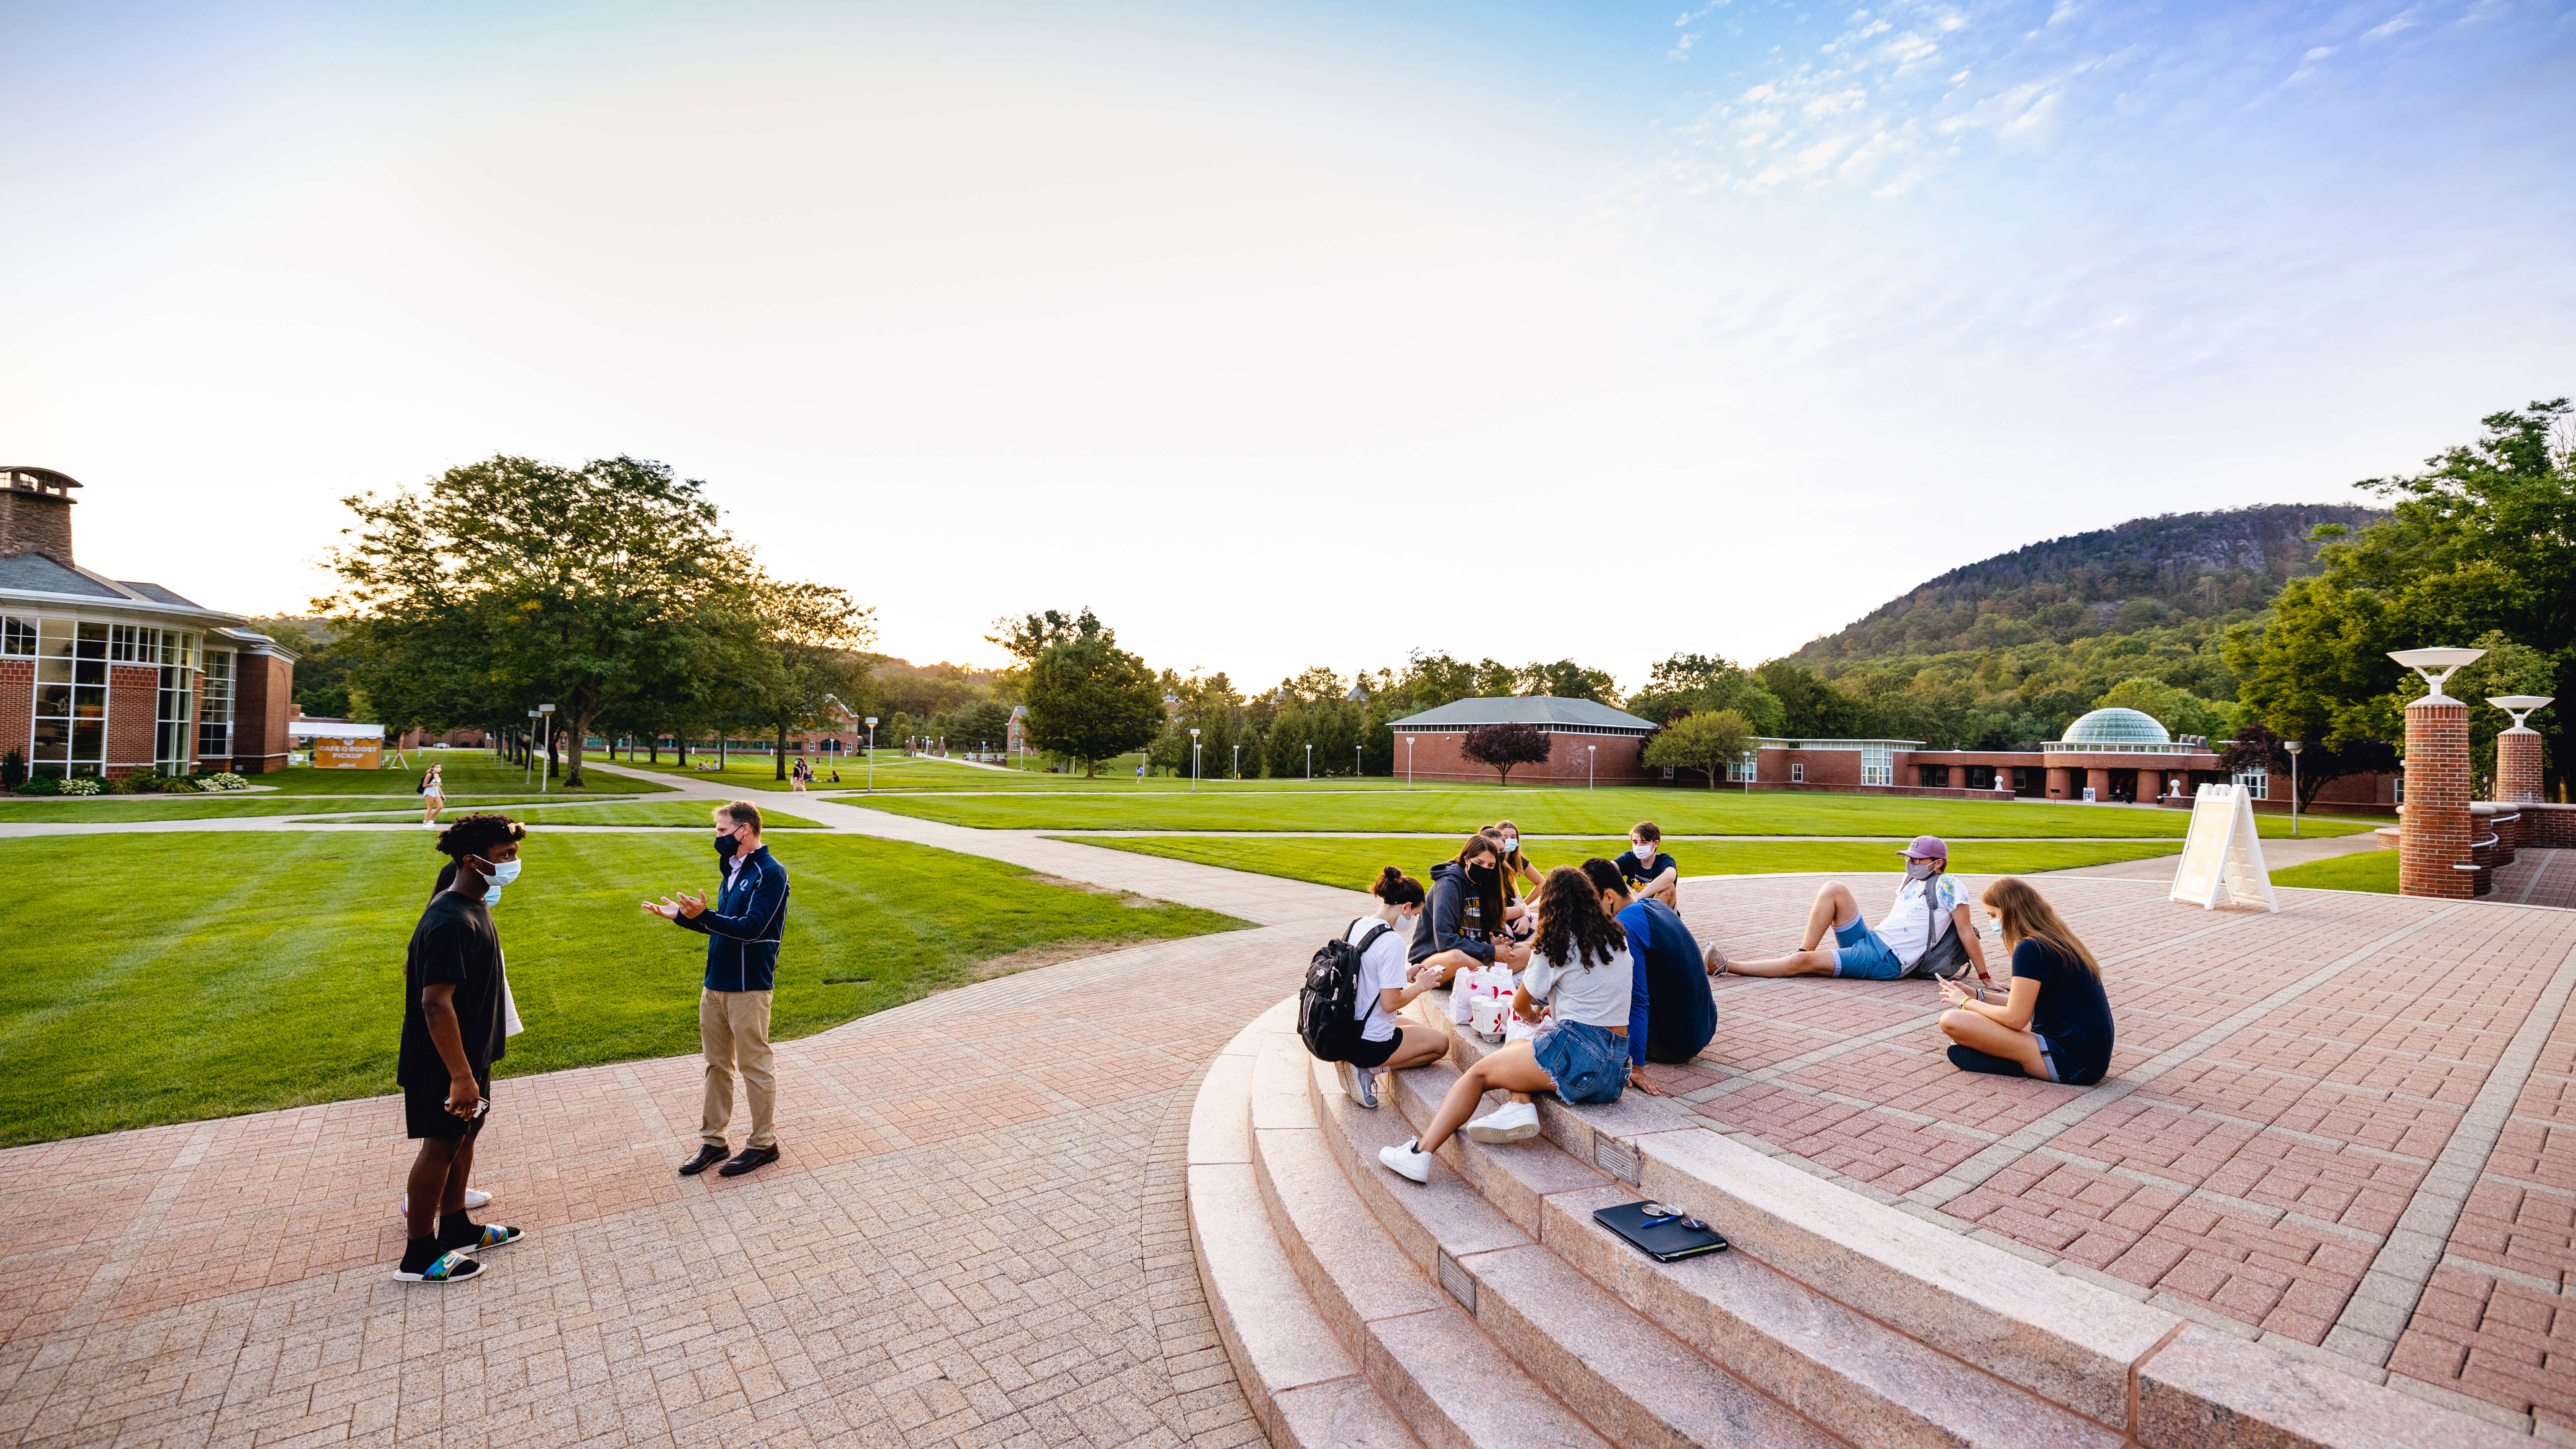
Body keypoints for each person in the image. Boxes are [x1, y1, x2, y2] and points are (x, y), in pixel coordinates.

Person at [1380, 866, 1634, 1181]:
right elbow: (1598, 1001)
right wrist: (1553, 1012)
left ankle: (1420, 1153)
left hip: (1579, 1058)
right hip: (1615, 1070)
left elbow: (1520, 1005)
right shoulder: (1618, 942)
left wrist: (1534, 1016)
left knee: (1478, 1074)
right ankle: (1520, 1105)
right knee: (1522, 1044)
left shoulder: (1557, 944)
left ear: (1551, 904)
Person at [394, 813, 529, 1283]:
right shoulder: (451, 919)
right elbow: (435, 1003)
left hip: (470, 1056)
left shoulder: (474, 906)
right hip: (443, 1063)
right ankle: (418, 1255)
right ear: (472, 861)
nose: (513, 863)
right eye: (505, 855)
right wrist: (460, 1076)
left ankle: (456, 1227)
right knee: (440, 1145)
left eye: (514, 853)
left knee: (465, 1136)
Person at [643, 800, 791, 1178]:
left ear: (745, 829)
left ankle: (764, 1144)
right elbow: (722, 925)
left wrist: (704, 915)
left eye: (723, 831)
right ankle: (714, 1141)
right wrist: (683, 918)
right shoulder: (732, 869)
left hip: (749, 986)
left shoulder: (771, 873)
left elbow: (752, 928)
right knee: (717, 1065)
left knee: (755, 1066)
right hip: (716, 984)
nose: (718, 837)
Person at [1717, 835, 1989, 985]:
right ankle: (1803, 952)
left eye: (1917, 859)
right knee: (1834, 888)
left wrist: (1985, 978)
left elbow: (1966, 932)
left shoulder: (1950, 885)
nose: (1910, 862)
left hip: (1888, 960)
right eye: (1908, 857)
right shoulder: (1911, 880)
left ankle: (1727, 966)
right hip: (1872, 939)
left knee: (1802, 965)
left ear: (1938, 863)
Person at [1939, 877, 2114, 1085]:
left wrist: (1964, 1002)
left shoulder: (2030, 948)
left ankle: (2015, 1062)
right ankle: (2008, 1060)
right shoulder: (2055, 940)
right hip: (2090, 1060)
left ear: (2010, 911)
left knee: (1953, 1021)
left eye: (1993, 915)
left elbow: (2015, 1019)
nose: (1993, 922)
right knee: (1975, 1026)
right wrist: (1977, 996)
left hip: (2071, 1062)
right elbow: (2025, 1003)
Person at [1328, 868, 1453, 1108]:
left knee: (1420, 1030)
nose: (1414, 920)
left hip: (1348, 1030)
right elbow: (1391, 1004)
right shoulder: (1392, 941)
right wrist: (1422, 986)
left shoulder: (1359, 924)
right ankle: (1367, 1068)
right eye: (1415, 914)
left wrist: (1403, 976)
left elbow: (1363, 972)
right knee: (1441, 1044)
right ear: (1406, 907)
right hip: (1371, 1040)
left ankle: (1357, 1062)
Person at [1579, 858, 1715, 1078]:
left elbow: (1637, 998)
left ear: (1609, 897)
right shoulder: (1657, 906)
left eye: (1592, 905)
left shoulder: (1626, 926)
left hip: (1675, 1045)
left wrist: (1636, 1066)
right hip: (1704, 1027)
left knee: (1591, 1023)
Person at [1408, 833, 1526, 988]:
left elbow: (1486, 928)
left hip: (1473, 955)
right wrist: (1491, 951)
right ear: (1466, 860)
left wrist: (1499, 941)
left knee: (1529, 950)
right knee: (1457, 958)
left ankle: (1471, 979)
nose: (1485, 869)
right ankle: (1487, 978)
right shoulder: (1448, 885)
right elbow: (1445, 941)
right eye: (1479, 862)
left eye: (1491, 866)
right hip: (1434, 960)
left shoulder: (1485, 885)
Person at [1613, 823, 1678, 909]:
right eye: (1635, 842)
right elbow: (1607, 868)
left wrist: (1637, 899)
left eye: (1644, 843)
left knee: (1669, 888)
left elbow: (1670, 876)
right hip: (1632, 908)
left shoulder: (1664, 860)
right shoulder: (1631, 858)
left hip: (1657, 911)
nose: (1639, 847)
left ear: (1655, 844)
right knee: (1608, 880)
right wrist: (1627, 890)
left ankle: (1644, 913)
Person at [419, 762, 445, 827]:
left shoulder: (438, 775)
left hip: (436, 792)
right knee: (430, 807)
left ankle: (429, 819)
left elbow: (438, 786)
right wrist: (434, 784)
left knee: (440, 806)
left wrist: (442, 795)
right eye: (437, 767)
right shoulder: (430, 775)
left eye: (440, 767)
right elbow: (425, 785)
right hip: (429, 792)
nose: (439, 768)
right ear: (433, 768)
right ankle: (426, 823)